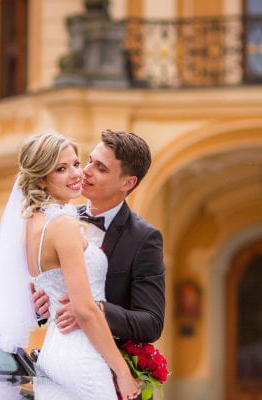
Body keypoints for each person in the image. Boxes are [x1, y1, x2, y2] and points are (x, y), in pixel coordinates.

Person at [0, 132, 141, 400]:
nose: (76, 174)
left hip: (53, 357)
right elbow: (85, 310)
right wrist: (122, 371)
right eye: (61, 169)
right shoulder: (64, 226)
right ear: (42, 178)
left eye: (76, 164)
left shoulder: (33, 225)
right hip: (83, 358)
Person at [33, 129, 165, 353]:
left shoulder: (144, 238)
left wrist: (95, 310)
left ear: (127, 183)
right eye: (89, 161)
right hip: (58, 353)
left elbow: (151, 323)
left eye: (100, 168)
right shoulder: (57, 222)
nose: (85, 172)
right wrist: (37, 308)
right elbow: (42, 293)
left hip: (105, 365)